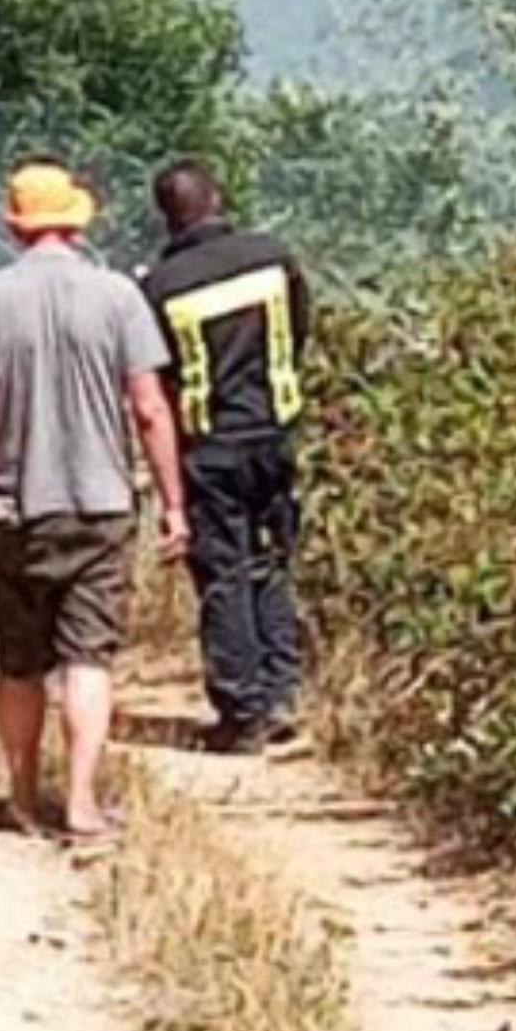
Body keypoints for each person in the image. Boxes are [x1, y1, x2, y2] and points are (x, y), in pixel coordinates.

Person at [0, 161, 189, 852]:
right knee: (89, 658)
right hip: (103, 505)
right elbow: (148, 406)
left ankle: (23, 797)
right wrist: (175, 503)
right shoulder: (117, 297)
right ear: (79, 222)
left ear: (12, 225)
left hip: (17, 509)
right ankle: (81, 804)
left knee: (19, 661)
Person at [138, 161, 315, 754]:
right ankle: (283, 691)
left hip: (209, 449)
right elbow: (301, 331)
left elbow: (156, 385)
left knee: (223, 574)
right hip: (274, 435)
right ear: (217, 198)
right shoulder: (272, 258)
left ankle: (242, 713)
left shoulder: (160, 287)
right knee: (271, 562)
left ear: (166, 215)